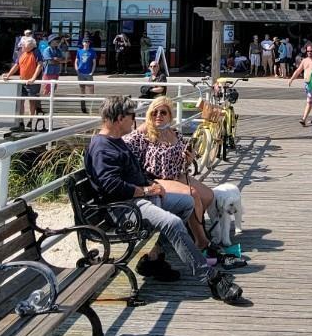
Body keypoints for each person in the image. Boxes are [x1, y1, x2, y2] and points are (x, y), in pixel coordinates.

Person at [84, 97, 243, 302]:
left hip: (139, 199)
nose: (134, 120)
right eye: (131, 116)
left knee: (186, 204)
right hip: (125, 208)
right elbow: (112, 187)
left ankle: (155, 259)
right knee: (173, 222)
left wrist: (152, 187)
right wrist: (146, 190)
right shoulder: (102, 147)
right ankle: (211, 278)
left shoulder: (114, 142)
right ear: (119, 118)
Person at [124, 98, 217, 263]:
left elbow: (183, 162)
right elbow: (121, 147)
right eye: (154, 112)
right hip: (154, 178)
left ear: (170, 116)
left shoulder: (174, 133)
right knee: (193, 195)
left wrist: (189, 159)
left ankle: (189, 229)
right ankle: (201, 241)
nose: (158, 116)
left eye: (163, 112)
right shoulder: (145, 132)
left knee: (208, 195)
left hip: (176, 175)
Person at [3, 36, 43, 129]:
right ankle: (21, 122)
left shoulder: (36, 52)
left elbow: (40, 65)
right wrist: (8, 75)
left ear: (30, 46)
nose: (22, 47)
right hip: (22, 80)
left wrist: (33, 78)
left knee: (32, 101)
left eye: (24, 45)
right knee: (20, 101)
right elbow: (17, 65)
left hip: (32, 83)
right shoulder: (22, 53)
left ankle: (30, 121)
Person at [288, 43, 312, 127]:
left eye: (311, 51)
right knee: (311, 101)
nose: (309, 52)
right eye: (308, 51)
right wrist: (291, 79)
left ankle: (303, 119)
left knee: (309, 101)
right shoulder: (304, 60)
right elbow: (298, 70)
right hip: (307, 84)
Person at [74, 32, 97, 112]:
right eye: (85, 42)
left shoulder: (92, 51)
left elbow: (94, 63)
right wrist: (77, 70)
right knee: (82, 90)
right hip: (81, 72)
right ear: (83, 43)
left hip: (88, 72)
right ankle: (83, 107)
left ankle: (91, 107)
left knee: (91, 90)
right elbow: (76, 61)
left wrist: (92, 72)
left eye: (88, 42)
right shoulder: (79, 51)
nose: (86, 43)